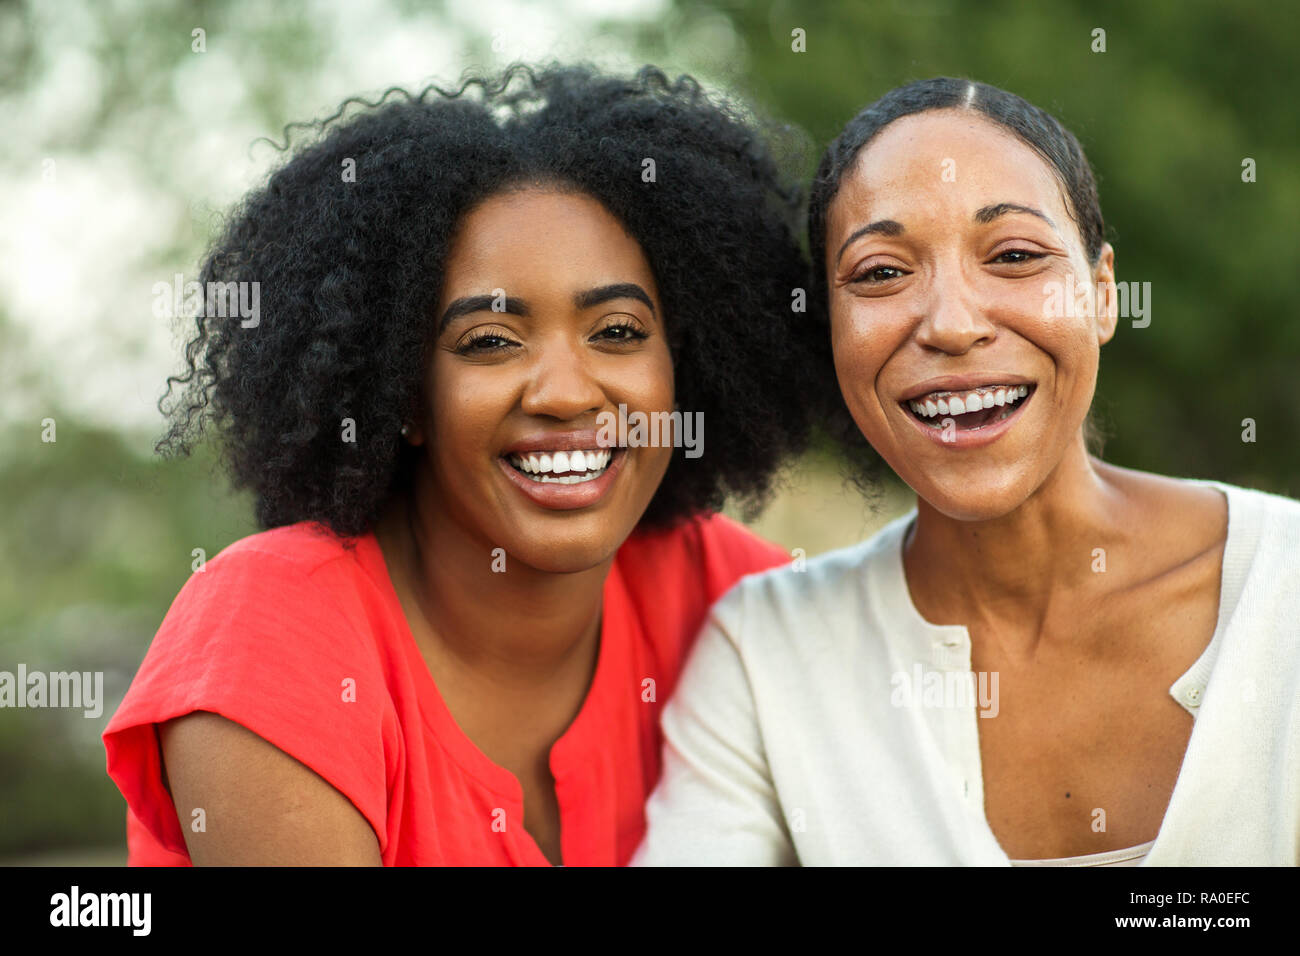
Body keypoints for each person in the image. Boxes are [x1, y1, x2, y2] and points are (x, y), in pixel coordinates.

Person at [103, 64, 820, 866]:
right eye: (490, 342)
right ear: (404, 395)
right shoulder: (270, 630)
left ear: (681, 365)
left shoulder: (736, 599)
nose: (564, 392)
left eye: (617, 331)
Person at [632, 77, 1300, 866]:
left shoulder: (1282, 592)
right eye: (881, 273)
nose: (950, 323)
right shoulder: (767, 654)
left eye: (1014, 255)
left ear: (1103, 294)